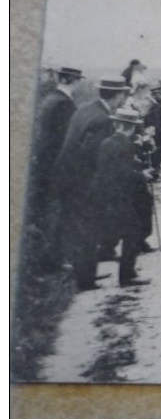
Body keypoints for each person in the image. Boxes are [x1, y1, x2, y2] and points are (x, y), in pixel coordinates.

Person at [54, 76, 131, 291]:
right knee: (88, 230)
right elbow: (93, 157)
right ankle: (86, 280)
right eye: (123, 94)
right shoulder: (103, 120)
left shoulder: (86, 109)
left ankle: (85, 273)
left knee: (79, 229)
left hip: (67, 178)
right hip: (82, 182)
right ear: (116, 96)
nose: (124, 99)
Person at [87, 107, 156, 288]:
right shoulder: (125, 145)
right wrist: (143, 175)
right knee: (133, 231)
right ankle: (127, 276)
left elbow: (114, 167)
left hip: (103, 196)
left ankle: (97, 272)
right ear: (131, 127)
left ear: (116, 124)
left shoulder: (108, 142)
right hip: (118, 197)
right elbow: (124, 174)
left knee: (109, 232)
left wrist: (136, 165)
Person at [26, 66, 83, 270]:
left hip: (44, 164)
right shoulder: (64, 104)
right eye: (77, 80)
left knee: (48, 212)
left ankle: (49, 258)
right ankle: (54, 259)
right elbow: (65, 140)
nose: (78, 84)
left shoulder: (50, 99)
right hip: (58, 166)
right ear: (72, 80)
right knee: (59, 212)